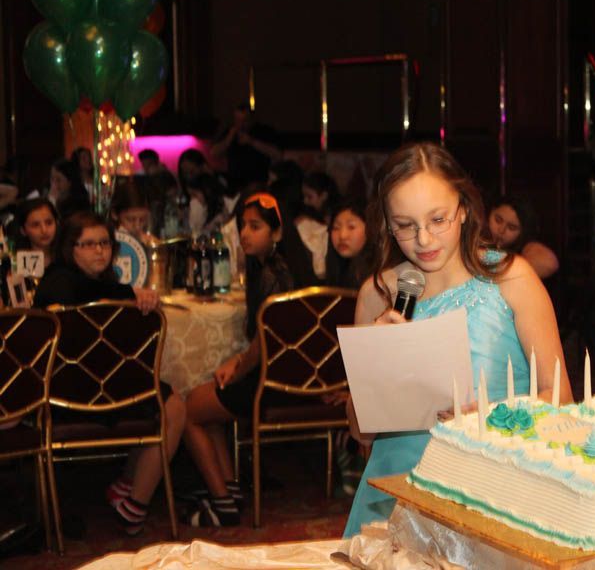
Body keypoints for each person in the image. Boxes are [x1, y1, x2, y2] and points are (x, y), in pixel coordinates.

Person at [342, 143, 572, 536]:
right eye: (405, 225)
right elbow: (359, 431)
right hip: (397, 490)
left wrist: (492, 414)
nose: (424, 239)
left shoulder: (512, 279)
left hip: (495, 485)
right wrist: (375, 368)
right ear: (387, 224)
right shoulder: (377, 293)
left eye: (437, 219)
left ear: (463, 209)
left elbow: (560, 396)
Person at [33, 211, 185, 536]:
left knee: (173, 403)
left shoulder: (108, 282)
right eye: (88, 244)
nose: (99, 250)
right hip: (67, 392)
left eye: (104, 242)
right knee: (168, 403)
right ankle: (132, 498)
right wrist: (127, 297)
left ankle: (130, 494)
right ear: (70, 249)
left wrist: (135, 296)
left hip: (104, 384)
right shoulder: (58, 280)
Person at [180, 193, 308, 526]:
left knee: (188, 409)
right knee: (209, 404)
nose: (245, 235)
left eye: (255, 226)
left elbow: (265, 344)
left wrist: (237, 368)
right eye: (242, 227)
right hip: (285, 374)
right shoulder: (275, 267)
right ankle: (229, 490)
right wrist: (237, 365)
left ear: (277, 233)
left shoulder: (273, 275)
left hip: (275, 381)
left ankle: (222, 501)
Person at [210, 102, 282, 193]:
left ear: (251, 118)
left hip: (258, 184)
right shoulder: (230, 132)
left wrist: (252, 142)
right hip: (235, 185)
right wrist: (229, 138)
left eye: (244, 120)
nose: (241, 124)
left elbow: (278, 155)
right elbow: (213, 153)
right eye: (237, 120)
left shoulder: (264, 131)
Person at [487, 195, 559, 279]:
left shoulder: (523, 249)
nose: (501, 230)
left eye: (511, 227)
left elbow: (549, 264)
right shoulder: (473, 237)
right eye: (498, 220)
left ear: (522, 233)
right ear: (490, 212)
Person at [325, 198, 373, 289]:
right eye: (336, 227)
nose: (342, 236)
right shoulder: (336, 269)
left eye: (351, 227)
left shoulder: (379, 277)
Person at [15, 198, 59, 266]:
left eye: (49, 223)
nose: (44, 230)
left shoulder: (68, 258)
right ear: (23, 230)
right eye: (35, 225)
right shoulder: (16, 262)